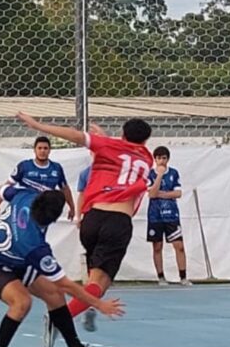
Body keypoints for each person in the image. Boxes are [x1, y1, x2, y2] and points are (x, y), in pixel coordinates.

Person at [16, 114, 161, 333]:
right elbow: (127, 156)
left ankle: (85, 310)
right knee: (100, 285)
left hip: (91, 220)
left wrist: (38, 125)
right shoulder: (148, 159)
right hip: (117, 221)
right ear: (146, 142)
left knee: (93, 279)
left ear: (122, 134)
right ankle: (60, 318)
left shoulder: (108, 145)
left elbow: (76, 136)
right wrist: (107, 139)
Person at [0, 186, 124, 347]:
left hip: (16, 258)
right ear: (54, 219)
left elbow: (2, 189)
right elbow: (66, 284)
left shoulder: (24, 195)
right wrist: (99, 304)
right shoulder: (36, 247)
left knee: (54, 294)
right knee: (22, 302)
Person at [1, 136, 75, 220]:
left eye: (45, 148)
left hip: (43, 211)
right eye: (39, 148)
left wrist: (72, 208)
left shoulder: (56, 168)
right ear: (34, 150)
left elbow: (65, 189)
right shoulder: (24, 166)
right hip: (23, 209)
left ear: (49, 150)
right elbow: (7, 185)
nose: (42, 151)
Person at [147, 146, 190, 286]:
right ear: (155, 159)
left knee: (179, 246)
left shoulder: (174, 173)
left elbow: (178, 193)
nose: (161, 161)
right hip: (155, 215)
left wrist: (163, 194)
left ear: (168, 159)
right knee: (157, 246)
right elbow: (151, 194)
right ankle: (161, 277)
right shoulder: (150, 174)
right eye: (158, 158)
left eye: (164, 158)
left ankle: (183, 277)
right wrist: (159, 175)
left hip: (171, 215)